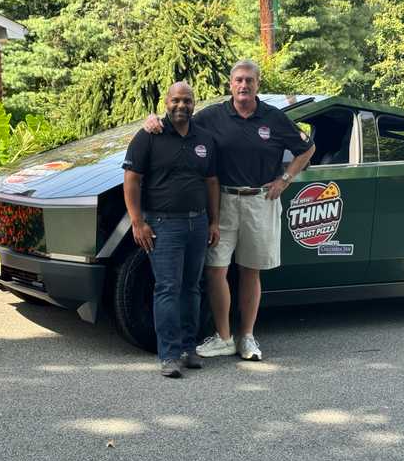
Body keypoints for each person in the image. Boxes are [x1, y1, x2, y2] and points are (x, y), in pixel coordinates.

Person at [142, 61, 315, 361]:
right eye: (238, 80)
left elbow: (307, 149)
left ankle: (247, 337)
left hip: (261, 200)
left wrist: (285, 179)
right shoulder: (213, 116)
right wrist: (152, 121)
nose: (243, 85)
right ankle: (223, 337)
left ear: (257, 84)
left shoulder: (274, 118)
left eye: (249, 80)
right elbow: (180, 120)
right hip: (223, 201)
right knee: (215, 269)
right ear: (230, 84)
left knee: (250, 271)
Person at [123, 82, 220, 378]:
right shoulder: (149, 135)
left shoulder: (204, 138)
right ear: (166, 102)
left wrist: (214, 221)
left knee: (192, 288)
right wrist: (137, 222)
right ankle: (169, 355)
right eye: (176, 100)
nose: (182, 105)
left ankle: (189, 348)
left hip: (198, 222)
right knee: (167, 288)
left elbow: (212, 182)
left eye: (187, 101)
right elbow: (132, 180)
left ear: (194, 104)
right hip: (163, 225)